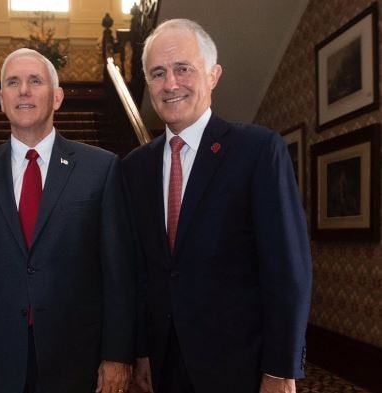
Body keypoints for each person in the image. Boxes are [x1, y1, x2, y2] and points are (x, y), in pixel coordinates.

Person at [122, 19, 312, 393]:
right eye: (157, 73)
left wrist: (280, 368)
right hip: (163, 364)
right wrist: (141, 351)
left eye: (183, 69)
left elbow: (287, 268)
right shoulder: (134, 167)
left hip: (241, 366)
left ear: (213, 75)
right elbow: (139, 271)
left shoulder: (257, 151)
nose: (170, 84)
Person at [0, 48, 135, 393]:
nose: (24, 90)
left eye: (35, 81)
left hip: (78, 356)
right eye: (13, 82)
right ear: (1, 99)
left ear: (57, 97)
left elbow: (117, 271)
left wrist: (117, 355)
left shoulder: (101, 168)